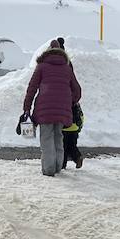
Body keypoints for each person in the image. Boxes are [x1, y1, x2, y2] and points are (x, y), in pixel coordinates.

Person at [22, 38, 82, 177]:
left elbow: (32, 88)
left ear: (47, 52)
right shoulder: (67, 68)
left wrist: (27, 107)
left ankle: (49, 170)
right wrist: (69, 102)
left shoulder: (42, 66)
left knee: (47, 139)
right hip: (62, 111)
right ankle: (57, 168)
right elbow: (77, 90)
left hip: (44, 110)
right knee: (58, 138)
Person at [63, 102, 85, 168]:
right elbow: (81, 116)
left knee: (63, 148)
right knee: (72, 146)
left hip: (64, 128)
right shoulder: (76, 103)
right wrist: (79, 127)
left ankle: (62, 165)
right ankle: (78, 157)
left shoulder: (63, 101)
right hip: (74, 128)